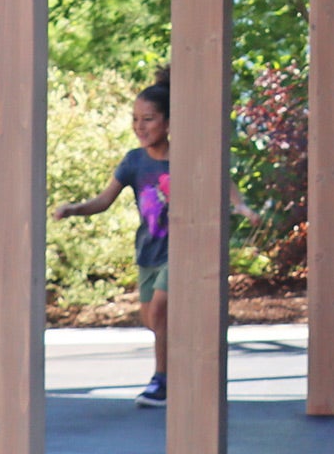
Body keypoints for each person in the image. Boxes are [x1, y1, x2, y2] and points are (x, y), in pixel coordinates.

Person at [53, 68, 252, 408]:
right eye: (135, 120)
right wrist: (73, 209)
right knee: (153, 321)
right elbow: (103, 201)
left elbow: (222, 178)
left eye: (148, 119)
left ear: (169, 122)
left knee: (160, 310)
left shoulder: (187, 158)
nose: (140, 127)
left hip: (184, 250)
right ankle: (185, 369)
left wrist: (241, 206)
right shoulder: (134, 162)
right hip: (149, 251)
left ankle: (161, 381)